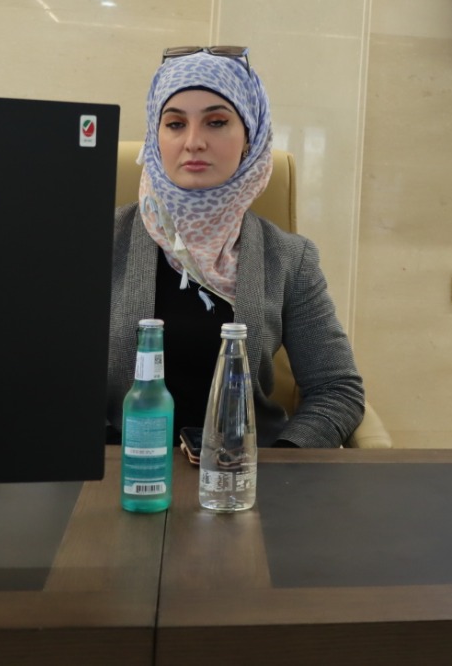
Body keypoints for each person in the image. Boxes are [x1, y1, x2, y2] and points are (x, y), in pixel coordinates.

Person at [105, 46, 364, 448]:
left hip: (243, 470)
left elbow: (337, 389)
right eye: (175, 124)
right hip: (121, 467)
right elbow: (43, 371)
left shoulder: (290, 260)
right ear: (156, 139)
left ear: (249, 138)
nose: (193, 142)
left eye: (216, 122)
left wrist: (281, 462)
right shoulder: (97, 241)